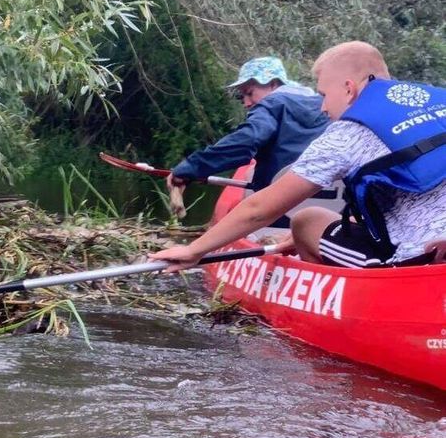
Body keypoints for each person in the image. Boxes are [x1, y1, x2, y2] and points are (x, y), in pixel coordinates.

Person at [151, 41, 446, 270]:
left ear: (349, 89)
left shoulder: (348, 131)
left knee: (306, 220)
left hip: (416, 262)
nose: (322, 108)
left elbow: (260, 210)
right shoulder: (437, 101)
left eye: (323, 95)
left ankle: (334, 319)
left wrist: (193, 251)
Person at [168, 56, 330, 194]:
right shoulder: (328, 106)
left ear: (273, 84)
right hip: (326, 205)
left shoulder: (272, 104)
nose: (246, 103)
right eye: (242, 97)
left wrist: (190, 167)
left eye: (250, 93)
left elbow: (246, 142)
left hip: (279, 205)